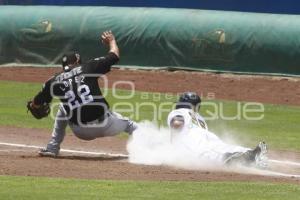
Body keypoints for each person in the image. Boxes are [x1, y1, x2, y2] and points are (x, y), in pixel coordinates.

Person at [28, 31, 137, 157]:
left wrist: (33, 105)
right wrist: (112, 41)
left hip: (81, 132)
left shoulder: (53, 81)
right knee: (130, 125)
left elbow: (36, 103)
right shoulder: (88, 67)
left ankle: (52, 147)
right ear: (77, 61)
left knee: (63, 108)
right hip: (106, 125)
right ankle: (152, 148)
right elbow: (114, 56)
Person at [167, 92, 267, 167]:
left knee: (208, 152)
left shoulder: (178, 111)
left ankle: (244, 158)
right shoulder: (199, 117)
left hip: (193, 139)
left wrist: (174, 134)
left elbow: (177, 122)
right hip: (205, 136)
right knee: (221, 147)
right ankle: (250, 154)